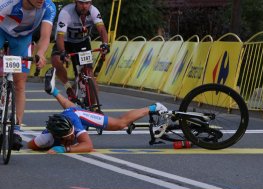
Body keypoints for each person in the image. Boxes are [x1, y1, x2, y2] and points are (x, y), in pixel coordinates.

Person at [27, 68, 168, 153]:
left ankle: (153, 107)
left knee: (120, 124)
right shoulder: (46, 137)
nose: (72, 138)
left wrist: (66, 149)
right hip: (69, 113)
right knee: (71, 108)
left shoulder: (75, 125)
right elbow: (30, 144)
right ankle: (53, 91)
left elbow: (87, 145)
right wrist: (47, 147)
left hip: (77, 116)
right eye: (69, 137)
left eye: (71, 135)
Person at [0, 0, 56, 150]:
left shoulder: (48, 7)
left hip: (22, 39)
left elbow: (45, 36)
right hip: (1, 31)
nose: (41, 0)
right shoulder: (8, 3)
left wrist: (41, 53)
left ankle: (16, 131)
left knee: (19, 84)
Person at [51, 0, 110, 102]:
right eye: (81, 3)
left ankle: (93, 107)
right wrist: (62, 52)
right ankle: (68, 87)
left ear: (90, 3)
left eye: (87, 3)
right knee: (56, 60)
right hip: (65, 42)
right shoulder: (66, 12)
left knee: (89, 74)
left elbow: (102, 29)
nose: (84, 6)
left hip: (82, 42)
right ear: (75, 2)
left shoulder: (94, 11)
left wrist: (105, 44)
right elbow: (60, 36)